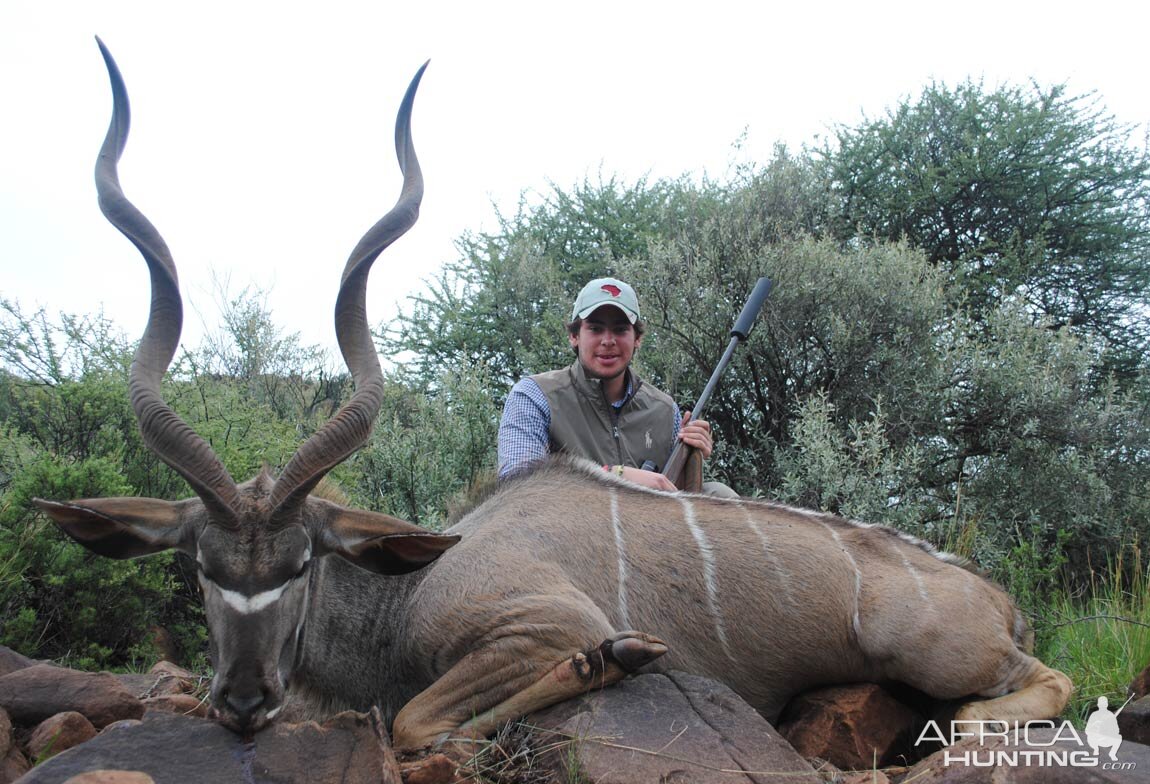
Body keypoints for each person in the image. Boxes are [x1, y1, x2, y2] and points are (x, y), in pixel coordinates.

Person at [498, 277, 729, 494]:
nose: (608, 341)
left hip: (645, 528)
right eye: (595, 329)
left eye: (620, 329)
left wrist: (692, 456)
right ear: (574, 336)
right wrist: (614, 475)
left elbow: (674, 494)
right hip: (569, 531)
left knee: (718, 493)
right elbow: (517, 486)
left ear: (637, 338)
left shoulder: (665, 410)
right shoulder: (535, 395)